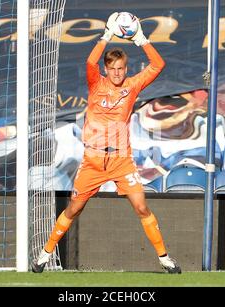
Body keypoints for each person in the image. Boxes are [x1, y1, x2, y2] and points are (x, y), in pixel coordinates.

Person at [32, 12, 181, 274]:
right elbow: (90, 60)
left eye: (120, 68)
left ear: (126, 68)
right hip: (93, 160)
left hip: (121, 160)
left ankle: (164, 258)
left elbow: (157, 65)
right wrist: (106, 36)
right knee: (74, 208)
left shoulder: (132, 86)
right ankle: (45, 254)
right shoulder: (96, 83)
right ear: (106, 69)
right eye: (111, 68)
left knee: (141, 206)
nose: (116, 72)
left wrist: (141, 39)